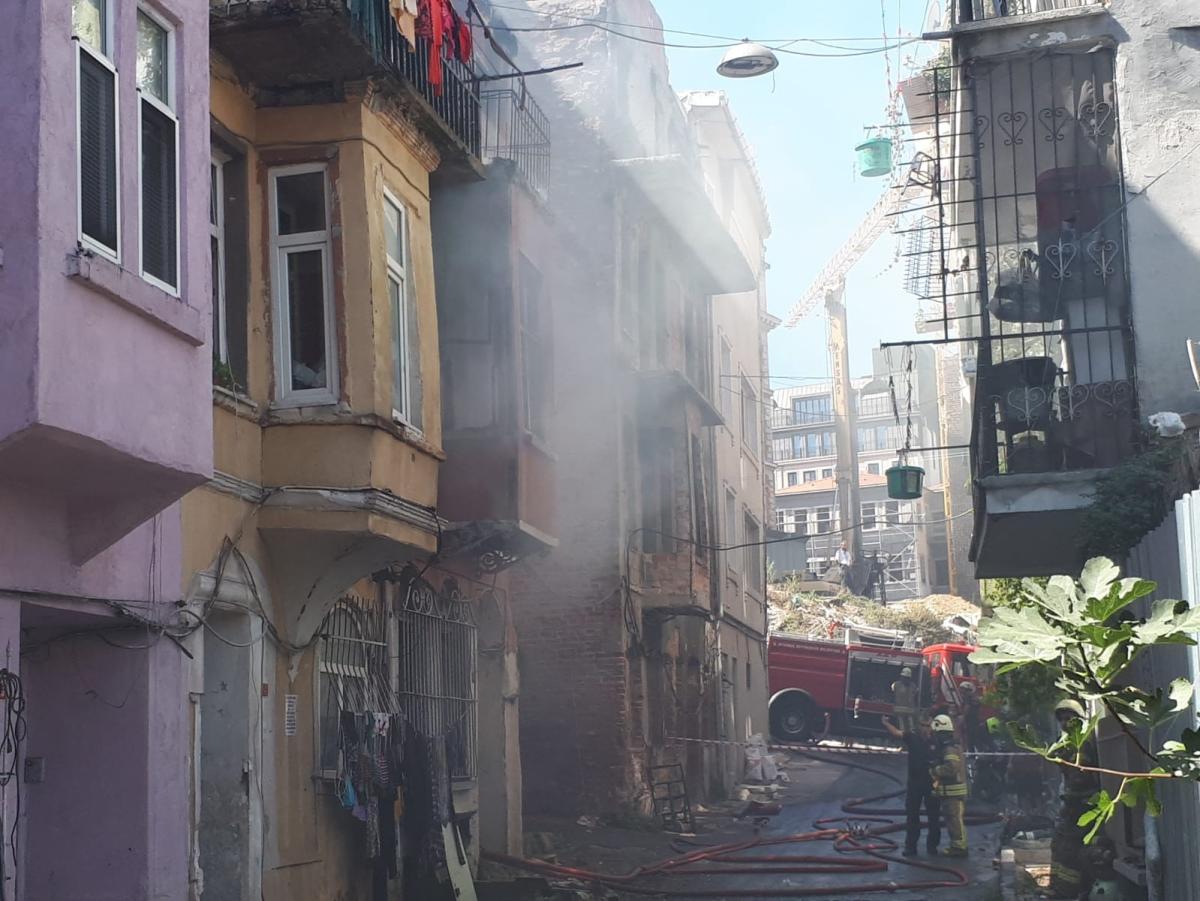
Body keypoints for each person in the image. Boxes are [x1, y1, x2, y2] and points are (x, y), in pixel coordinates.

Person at [1048, 699, 1101, 900]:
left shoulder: (1083, 743)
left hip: (1083, 805)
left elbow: (1081, 778)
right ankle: (1061, 889)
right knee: (1060, 846)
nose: (1064, 722)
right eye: (1061, 719)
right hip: (1072, 804)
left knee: (1070, 850)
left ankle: (1070, 892)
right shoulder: (1067, 743)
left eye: (1068, 718)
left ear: (1078, 719)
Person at [883, 713, 941, 857]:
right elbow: (897, 733)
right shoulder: (912, 737)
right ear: (918, 726)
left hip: (931, 784)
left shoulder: (937, 741)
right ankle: (911, 847)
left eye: (928, 726)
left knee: (934, 817)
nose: (925, 729)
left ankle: (932, 847)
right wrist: (886, 723)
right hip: (915, 784)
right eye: (923, 725)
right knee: (912, 816)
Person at [930, 714, 968, 858]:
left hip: (954, 792)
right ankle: (956, 845)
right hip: (949, 791)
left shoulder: (949, 748)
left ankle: (960, 848)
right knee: (952, 820)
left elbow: (952, 768)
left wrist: (935, 770)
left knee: (955, 820)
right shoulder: (950, 746)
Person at [891, 666, 918, 734]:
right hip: (910, 710)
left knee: (902, 725)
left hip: (898, 709)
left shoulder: (895, 684)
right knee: (910, 725)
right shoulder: (913, 686)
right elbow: (916, 694)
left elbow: (892, 692)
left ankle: (904, 735)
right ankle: (911, 734)